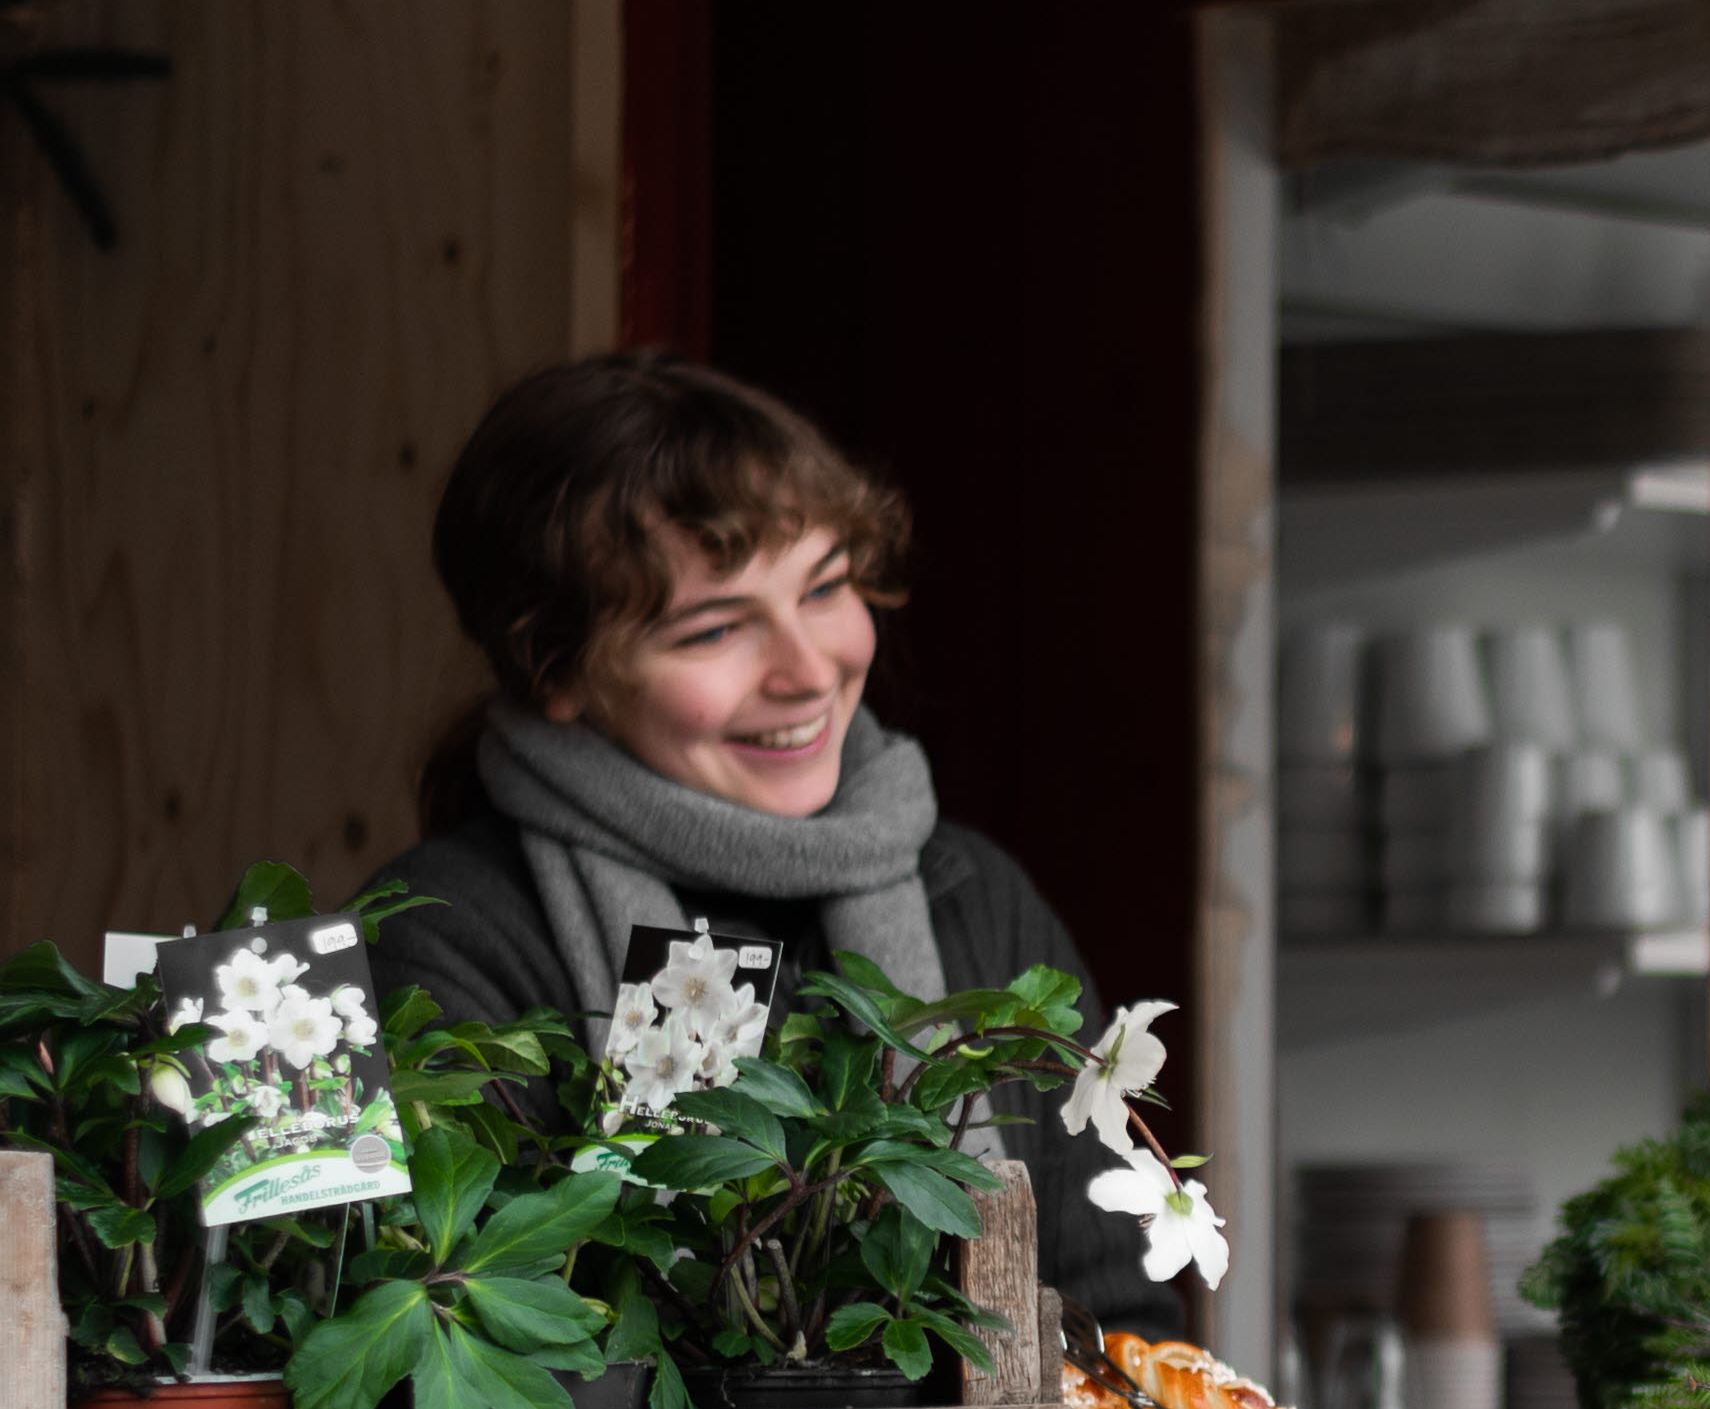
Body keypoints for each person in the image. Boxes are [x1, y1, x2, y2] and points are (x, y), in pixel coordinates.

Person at [363, 349, 1178, 1332]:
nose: (806, 668)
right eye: (713, 629)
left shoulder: (975, 895)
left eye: (824, 586)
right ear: (558, 668)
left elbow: (1123, 1324)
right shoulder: (449, 941)